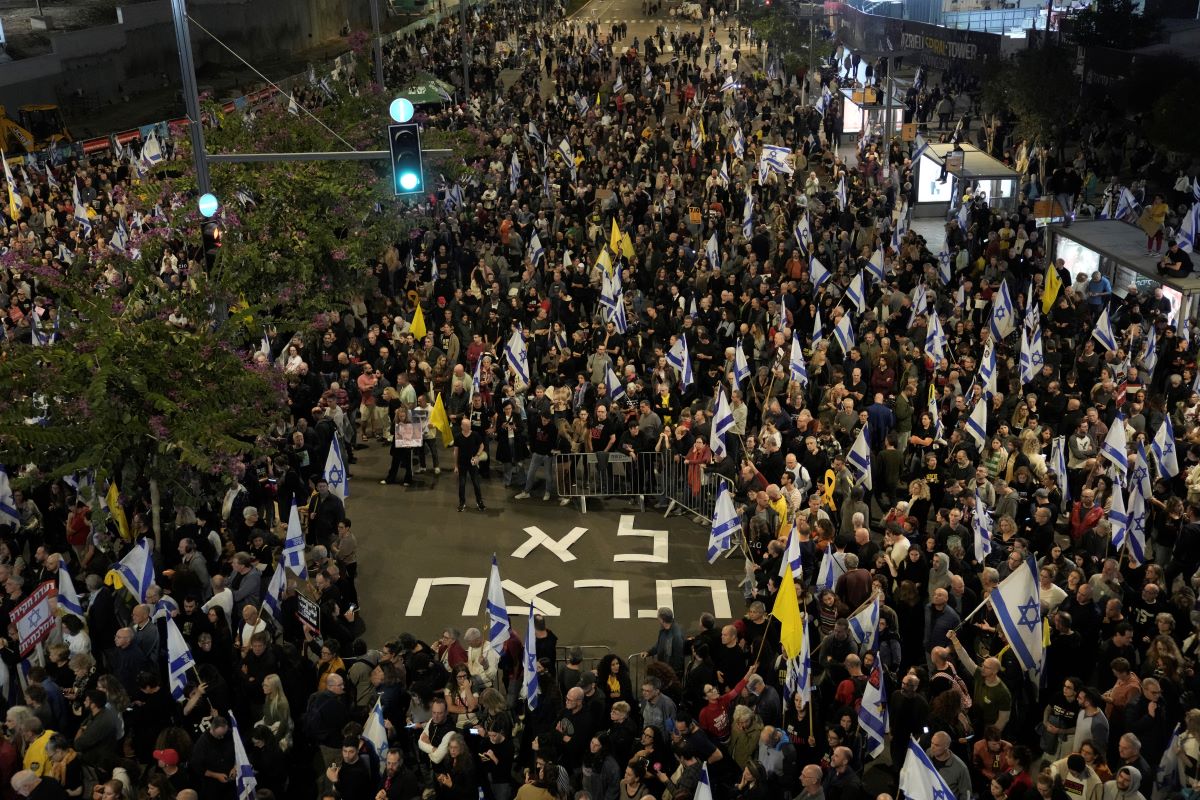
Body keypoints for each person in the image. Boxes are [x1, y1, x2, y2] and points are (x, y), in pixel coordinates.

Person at [452, 417, 486, 512]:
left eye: (470, 425)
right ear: (462, 426)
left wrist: (477, 456)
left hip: (472, 463)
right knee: (462, 484)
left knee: (476, 483)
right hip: (462, 464)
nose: (469, 427)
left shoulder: (475, 435)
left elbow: (482, 445)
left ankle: (479, 502)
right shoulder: (458, 436)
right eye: (467, 425)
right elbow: (456, 451)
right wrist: (455, 466)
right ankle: (462, 503)